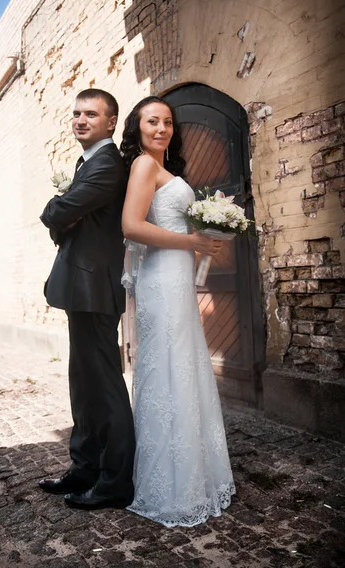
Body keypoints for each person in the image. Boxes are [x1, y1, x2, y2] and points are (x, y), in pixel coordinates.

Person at [120, 95, 235, 527]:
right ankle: (168, 485)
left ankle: (193, 474)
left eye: (168, 121)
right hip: (161, 279)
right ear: (138, 127)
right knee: (169, 368)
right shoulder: (143, 166)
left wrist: (206, 230)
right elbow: (132, 226)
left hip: (175, 277)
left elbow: (167, 222)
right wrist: (192, 242)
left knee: (183, 367)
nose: (161, 129)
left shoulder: (166, 169)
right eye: (152, 121)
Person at [39, 89, 135, 510]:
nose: (80, 119)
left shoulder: (107, 164)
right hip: (82, 286)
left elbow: (57, 214)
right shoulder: (88, 163)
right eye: (76, 113)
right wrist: (64, 215)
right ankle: (85, 466)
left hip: (95, 287)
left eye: (91, 114)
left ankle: (115, 482)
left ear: (111, 122)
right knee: (83, 382)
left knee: (105, 386)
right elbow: (66, 219)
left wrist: (59, 211)